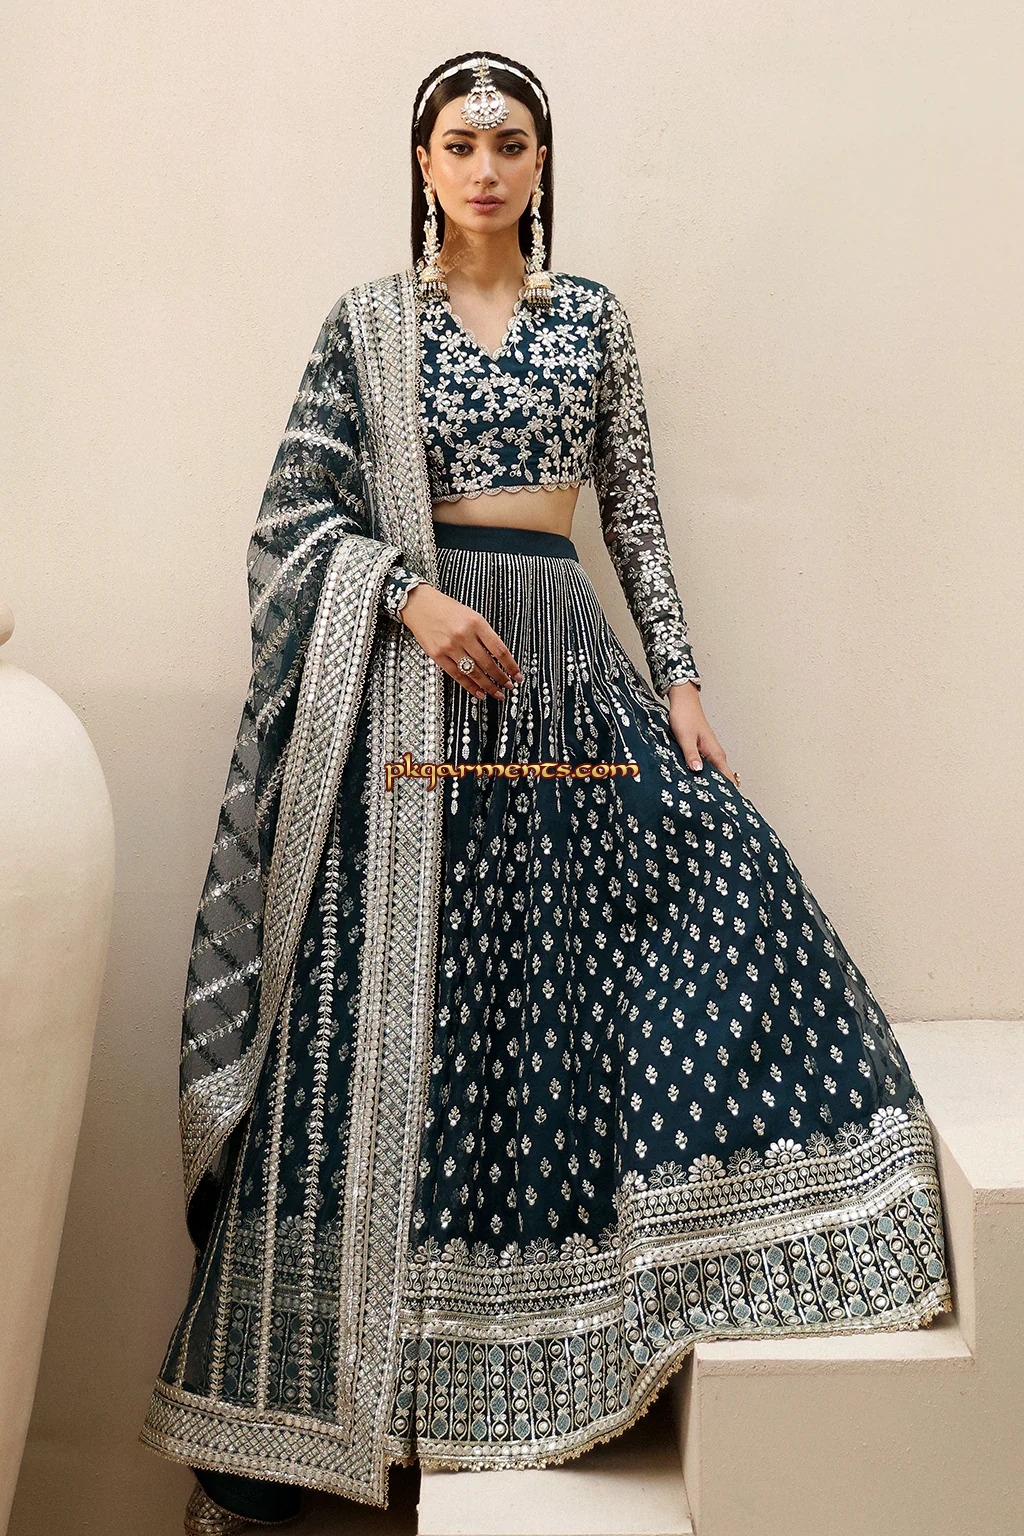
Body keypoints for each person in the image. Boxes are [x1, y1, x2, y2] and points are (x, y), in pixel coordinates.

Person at [139, 51, 953, 1536]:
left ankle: (572, 1331)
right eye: (460, 145)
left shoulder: (591, 319)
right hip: (413, 703)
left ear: (540, 161)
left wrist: (683, 686)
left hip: (566, 674)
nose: (485, 167)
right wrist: (407, 596)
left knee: (619, 949)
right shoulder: (367, 326)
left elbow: (631, 509)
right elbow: (289, 523)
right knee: (382, 1023)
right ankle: (275, 1448)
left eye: (509, 143)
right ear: (423, 163)